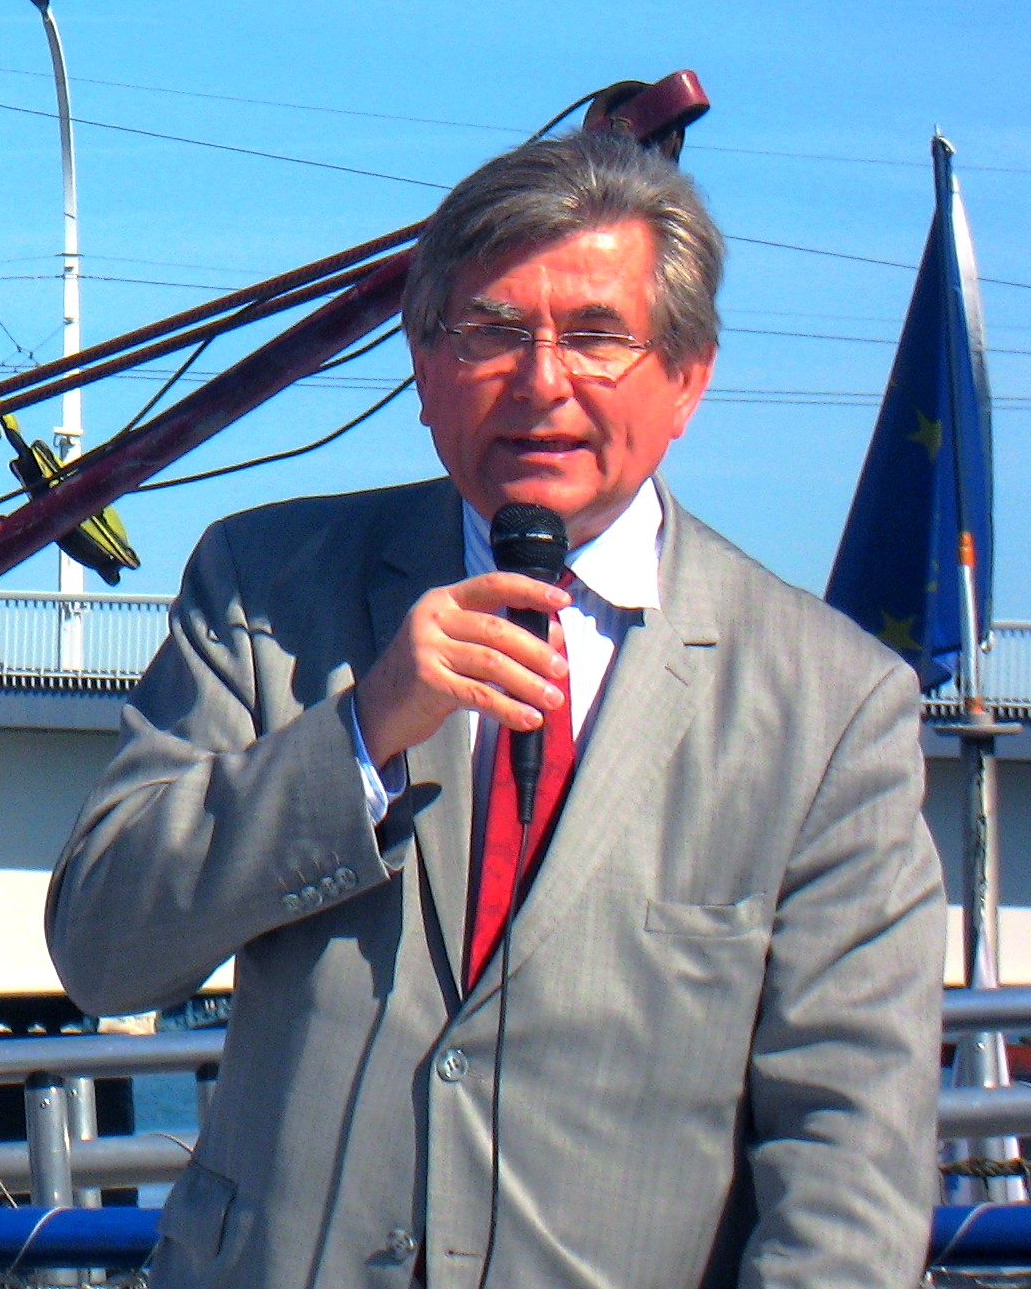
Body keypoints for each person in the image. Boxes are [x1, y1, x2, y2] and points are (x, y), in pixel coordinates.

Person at [46, 130, 945, 1288]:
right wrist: (362, 733)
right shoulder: (265, 589)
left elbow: (849, 1160)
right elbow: (103, 951)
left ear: (688, 378)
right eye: (491, 334)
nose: (541, 382)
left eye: (596, 336)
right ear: (424, 370)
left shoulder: (831, 705)